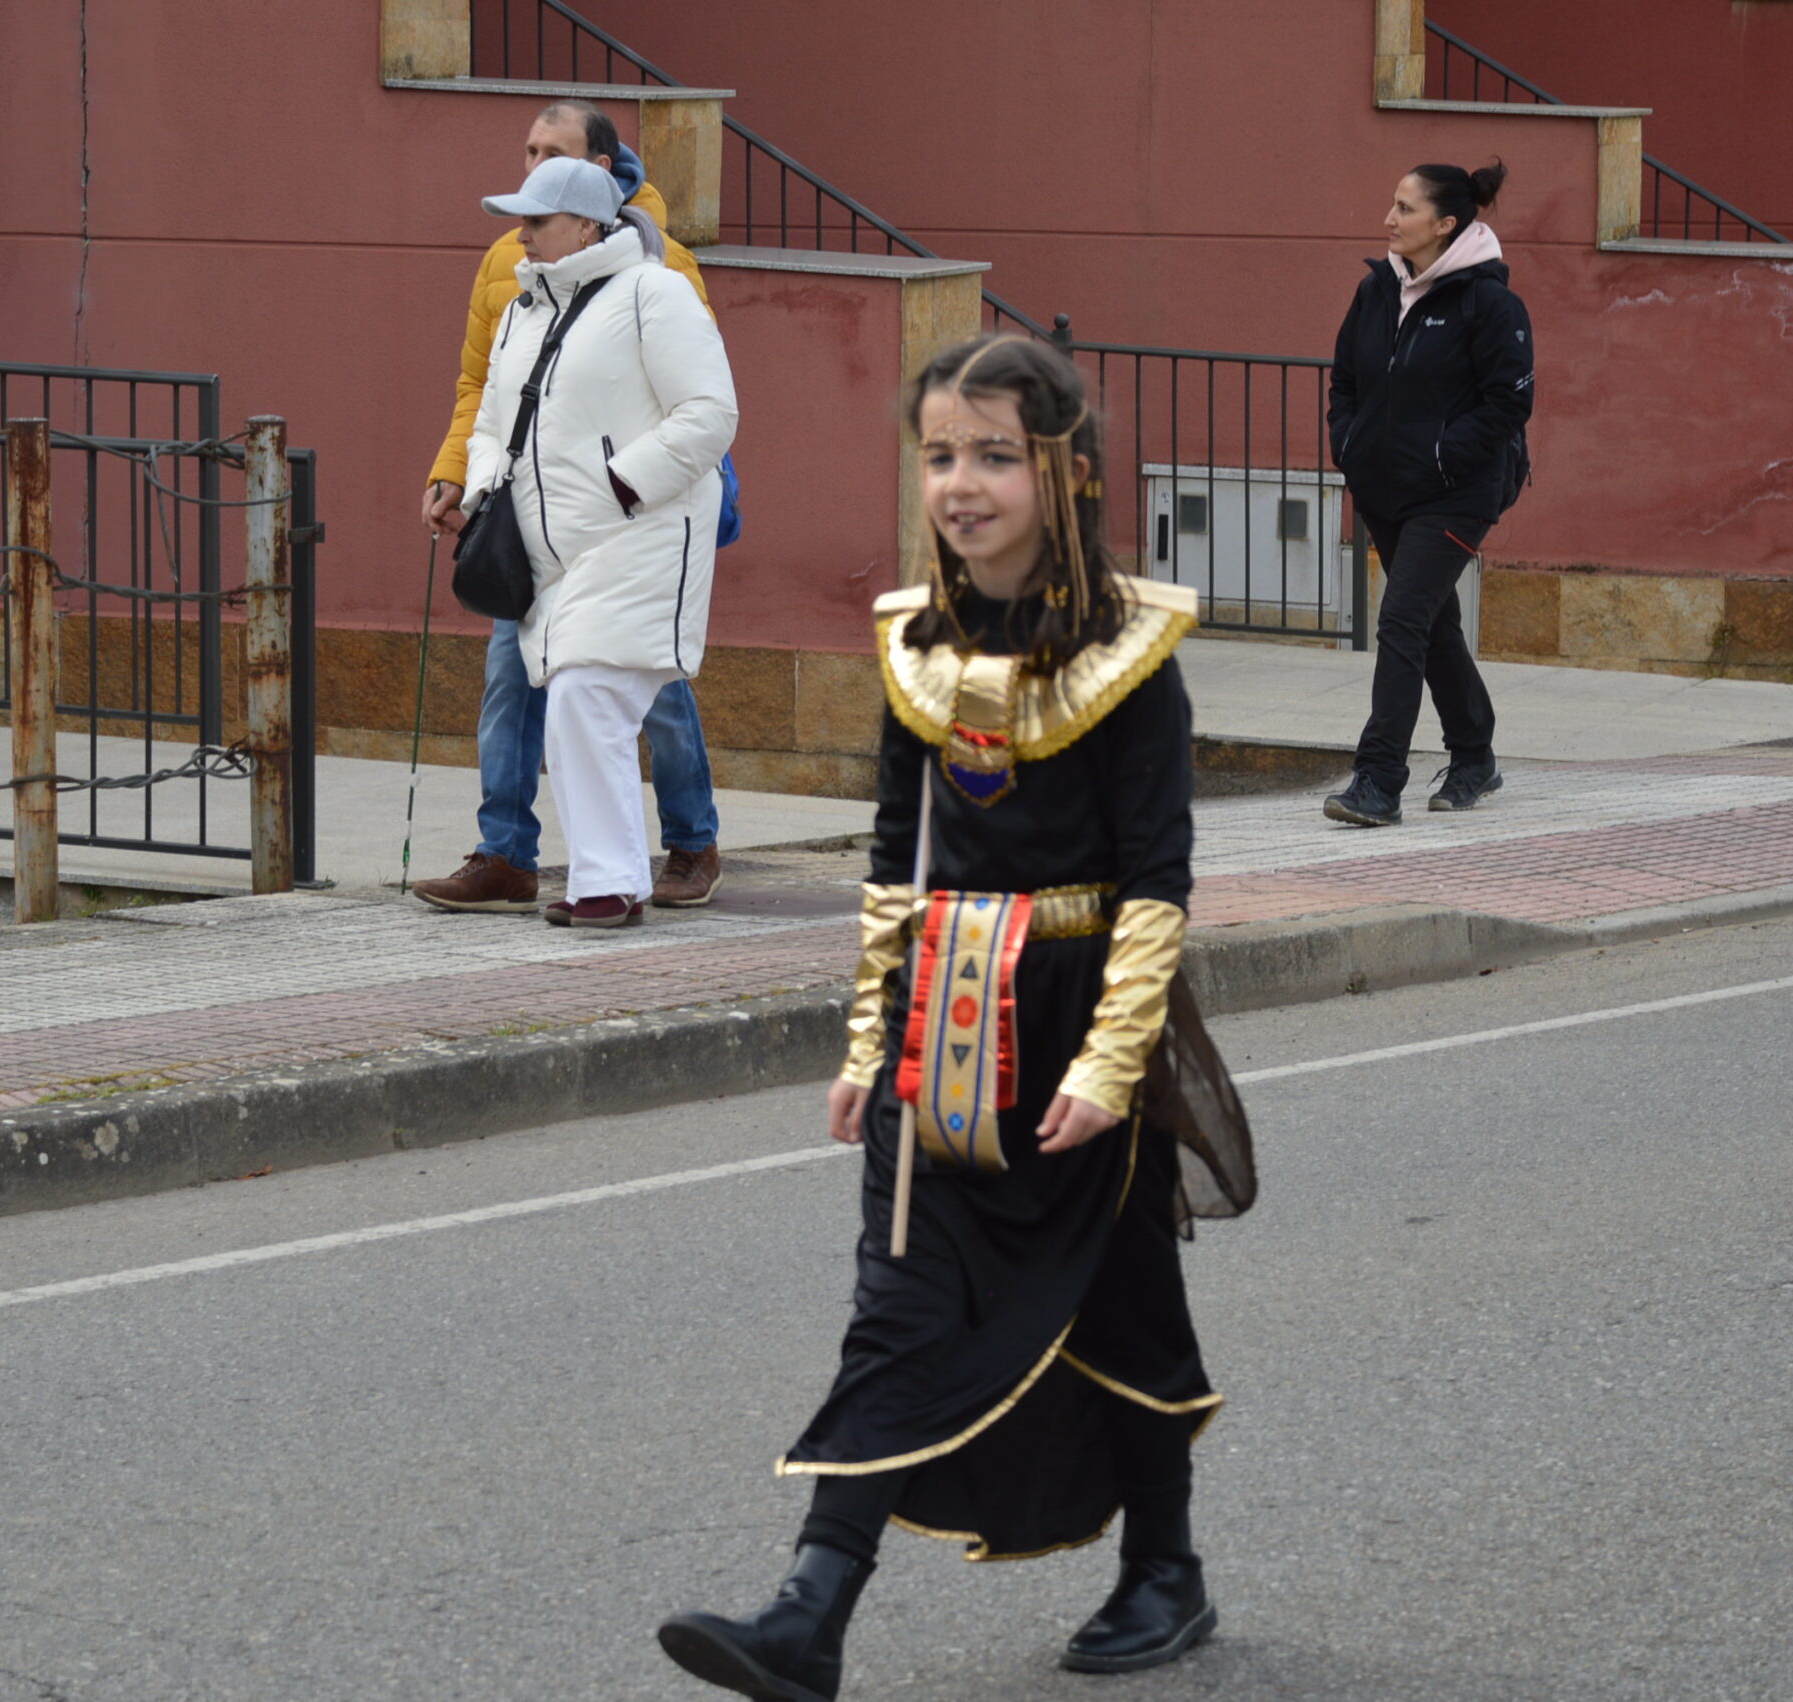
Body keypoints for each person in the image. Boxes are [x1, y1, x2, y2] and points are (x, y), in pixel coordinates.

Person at [656, 337, 1253, 1699]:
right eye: (939, 456)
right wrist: (871, 1041)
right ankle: (810, 1611)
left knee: (1124, 1297)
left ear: (1060, 468)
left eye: (993, 455)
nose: (962, 485)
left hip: (1082, 1014)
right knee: (901, 1295)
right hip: (948, 1018)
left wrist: (1112, 1066)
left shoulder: (1134, 656)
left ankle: (1166, 1567)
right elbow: (894, 862)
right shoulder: (910, 642)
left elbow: (1158, 882)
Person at [417, 100, 728, 912]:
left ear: (591, 211)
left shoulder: (658, 285)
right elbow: (488, 405)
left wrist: (622, 485)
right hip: (540, 543)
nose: (520, 227)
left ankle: (680, 848)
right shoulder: (519, 296)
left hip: (633, 537)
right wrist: (473, 484)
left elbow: (706, 411)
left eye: (539, 213)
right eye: (525, 156)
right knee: (549, 698)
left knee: (604, 696)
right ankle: (543, 866)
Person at [1323, 158, 1535, 827]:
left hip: (1456, 493)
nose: (1389, 219)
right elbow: (1345, 382)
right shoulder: (1376, 292)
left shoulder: (1490, 304)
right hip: (1384, 487)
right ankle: (1475, 756)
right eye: (1392, 204)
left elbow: (1510, 403)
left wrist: (1444, 456)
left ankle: (1378, 781)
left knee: (1402, 619)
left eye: (1405, 209)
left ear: (1445, 224)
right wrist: (1349, 444)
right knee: (1433, 623)